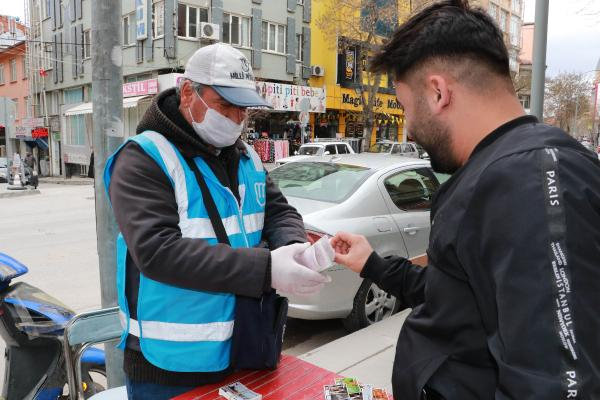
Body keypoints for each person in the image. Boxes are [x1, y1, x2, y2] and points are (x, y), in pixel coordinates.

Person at [331, 1, 600, 399]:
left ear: (438, 92)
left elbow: (555, 382)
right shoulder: (502, 170)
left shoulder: (529, 182)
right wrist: (373, 265)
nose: (407, 130)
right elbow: (460, 295)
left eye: (406, 109)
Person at [104, 43, 329, 399]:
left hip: (243, 347)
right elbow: (158, 252)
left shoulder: (245, 157)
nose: (236, 119)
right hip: (169, 366)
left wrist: (293, 247)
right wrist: (267, 268)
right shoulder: (144, 159)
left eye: (243, 110)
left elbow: (279, 211)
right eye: (226, 106)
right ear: (189, 92)